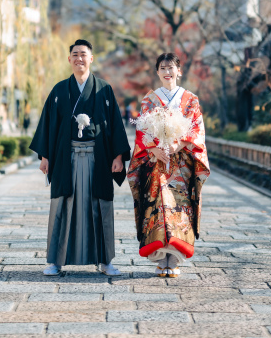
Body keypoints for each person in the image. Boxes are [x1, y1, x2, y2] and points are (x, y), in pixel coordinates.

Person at [30, 39, 131, 276]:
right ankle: (55, 261)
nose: (79, 58)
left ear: (91, 58)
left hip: (99, 159)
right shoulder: (58, 91)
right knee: (62, 206)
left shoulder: (104, 89)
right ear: (69, 59)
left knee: (100, 206)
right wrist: (45, 156)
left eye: (83, 54)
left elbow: (115, 123)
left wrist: (118, 156)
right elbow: (48, 125)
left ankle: (105, 261)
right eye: (75, 54)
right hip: (68, 158)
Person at [127, 52, 210, 278]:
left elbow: (196, 128)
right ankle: (160, 258)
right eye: (162, 68)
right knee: (158, 208)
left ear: (179, 71)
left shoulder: (190, 99)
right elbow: (142, 130)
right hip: (155, 162)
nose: (167, 72)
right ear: (157, 72)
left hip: (181, 162)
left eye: (170, 68)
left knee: (179, 210)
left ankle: (174, 259)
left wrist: (179, 145)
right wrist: (153, 148)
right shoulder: (149, 100)